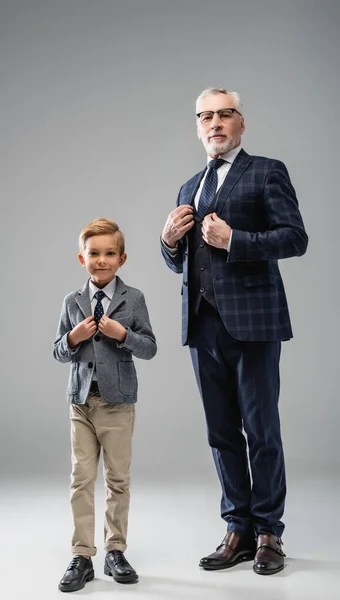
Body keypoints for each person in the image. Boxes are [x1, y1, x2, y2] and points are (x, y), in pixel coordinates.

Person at [161, 87, 308, 575]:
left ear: (241, 123)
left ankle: (269, 532)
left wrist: (235, 239)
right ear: (198, 126)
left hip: (254, 323)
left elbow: (294, 238)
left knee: (261, 430)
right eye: (206, 116)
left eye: (225, 114)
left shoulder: (267, 171)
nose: (215, 123)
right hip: (202, 326)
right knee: (221, 433)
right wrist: (167, 241)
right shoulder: (188, 188)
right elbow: (181, 260)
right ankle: (238, 530)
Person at [54, 218, 157, 592]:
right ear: (82, 258)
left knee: (117, 479)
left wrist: (124, 334)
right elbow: (58, 352)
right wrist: (73, 335)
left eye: (109, 253)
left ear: (122, 258)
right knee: (80, 478)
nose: (101, 260)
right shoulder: (72, 301)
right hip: (81, 402)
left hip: (117, 404)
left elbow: (149, 347)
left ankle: (116, 551)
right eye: (94, 253)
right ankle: (82, 556)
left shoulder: (134, 299)